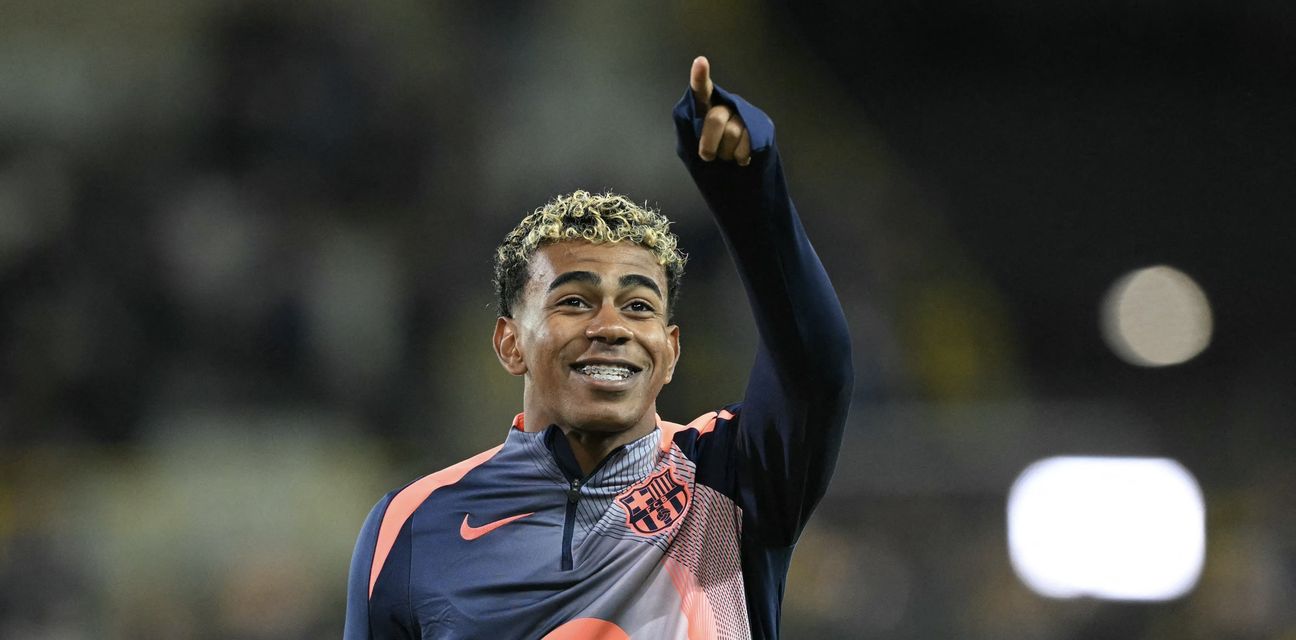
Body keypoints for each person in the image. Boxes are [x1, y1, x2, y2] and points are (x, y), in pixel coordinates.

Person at [344, 56, 852, 640]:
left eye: (638, 306)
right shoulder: (409, 529)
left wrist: (751, 195)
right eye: (574, 301)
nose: (611, 327)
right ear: (511, 344)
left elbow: (817, 367)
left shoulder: (730, 478)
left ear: (670, 352)